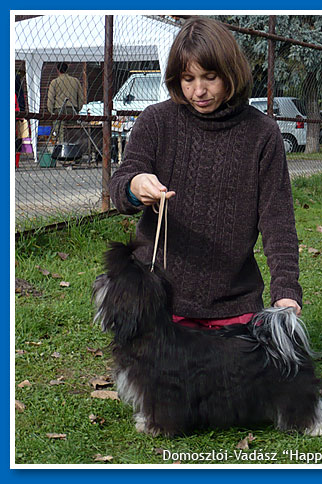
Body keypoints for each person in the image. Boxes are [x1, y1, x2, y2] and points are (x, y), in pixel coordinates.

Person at [109, 17, 302, 330]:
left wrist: (286, 290)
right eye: (188, 79)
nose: (198, 90)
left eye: (210, 77)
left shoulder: (262, 133)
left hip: (234, 303)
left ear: (231, 72)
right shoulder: (155, 122)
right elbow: (121, 186)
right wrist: (134, 185)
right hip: (159, 300)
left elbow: (277, 219)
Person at [47, 62, 84, 143]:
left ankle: (62, 149)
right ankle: (72, 149)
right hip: (72, 109)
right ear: (67, 69)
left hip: (59, 110)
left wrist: (51, 111)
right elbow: (81, 98)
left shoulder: (55, 82)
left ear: (57, 70)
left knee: (60, 133)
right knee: (72, 131)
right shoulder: (75, 81)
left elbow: (50, 98)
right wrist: (78, 108)